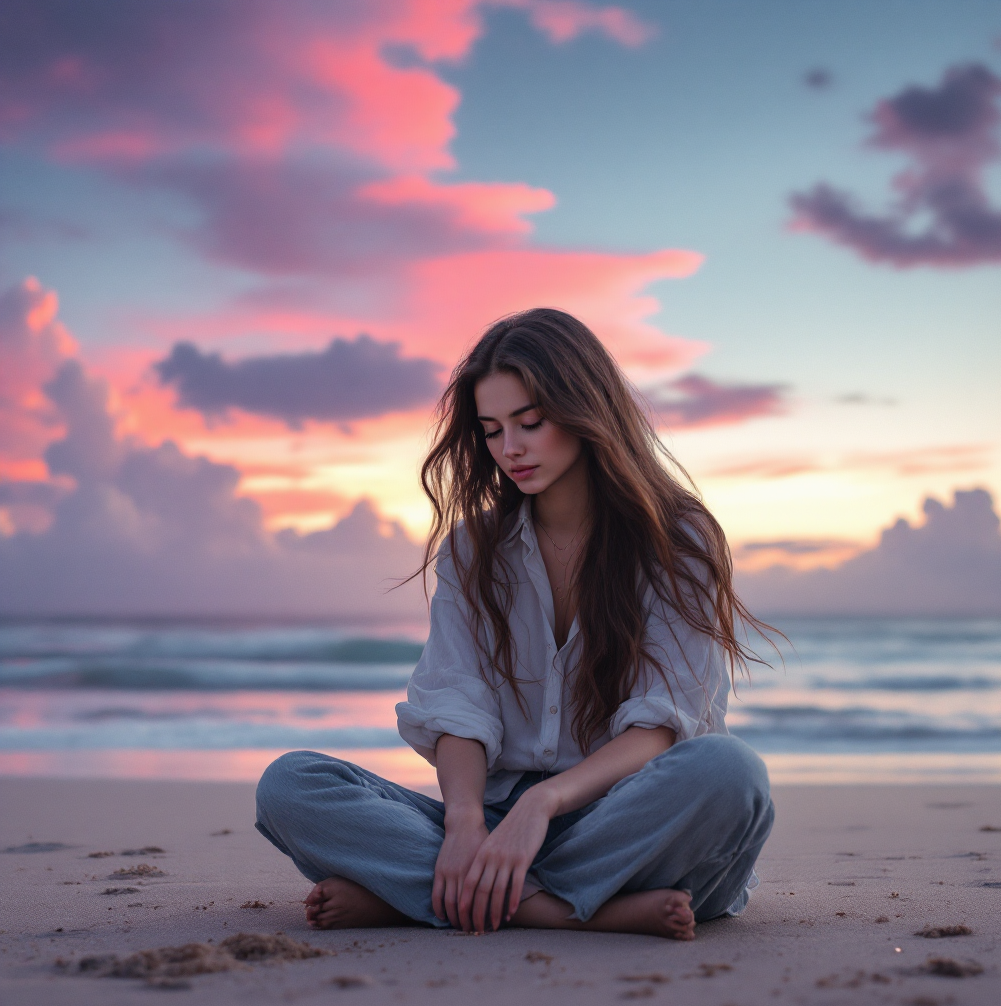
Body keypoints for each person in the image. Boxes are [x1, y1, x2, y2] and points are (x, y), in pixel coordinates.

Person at [255, 308, 775, 940]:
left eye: (531, 423)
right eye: (493, 430)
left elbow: (663, 725)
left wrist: (543, 803)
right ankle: (566, 911)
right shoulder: (475, 548)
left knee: (728, 772)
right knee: (291, 784)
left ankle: (425, 897)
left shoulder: (678, 539)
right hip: (500, 824)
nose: (511, 449)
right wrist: (467, 822)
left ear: (588, 411)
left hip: (626, 820)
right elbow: (459, 703)